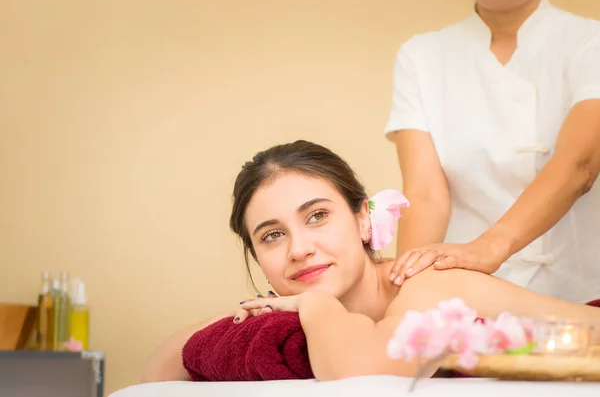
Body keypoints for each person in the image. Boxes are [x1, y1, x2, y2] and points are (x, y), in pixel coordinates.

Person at [141, 140, 600, 383]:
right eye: (273, 235)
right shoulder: (309, 311)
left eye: (318, 216)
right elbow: (161, 367)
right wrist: (242, 312)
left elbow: (362, 376)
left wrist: (314, 307)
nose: (298, 248)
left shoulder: (427, 283)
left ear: (364, 219)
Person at [384, 0, 600, 303]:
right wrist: (408, 293)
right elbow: (425, 193)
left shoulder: (590, 42)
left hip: (583, 288)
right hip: (473, 296)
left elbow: (580, 165)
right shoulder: (422, 56)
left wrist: (489, 247)